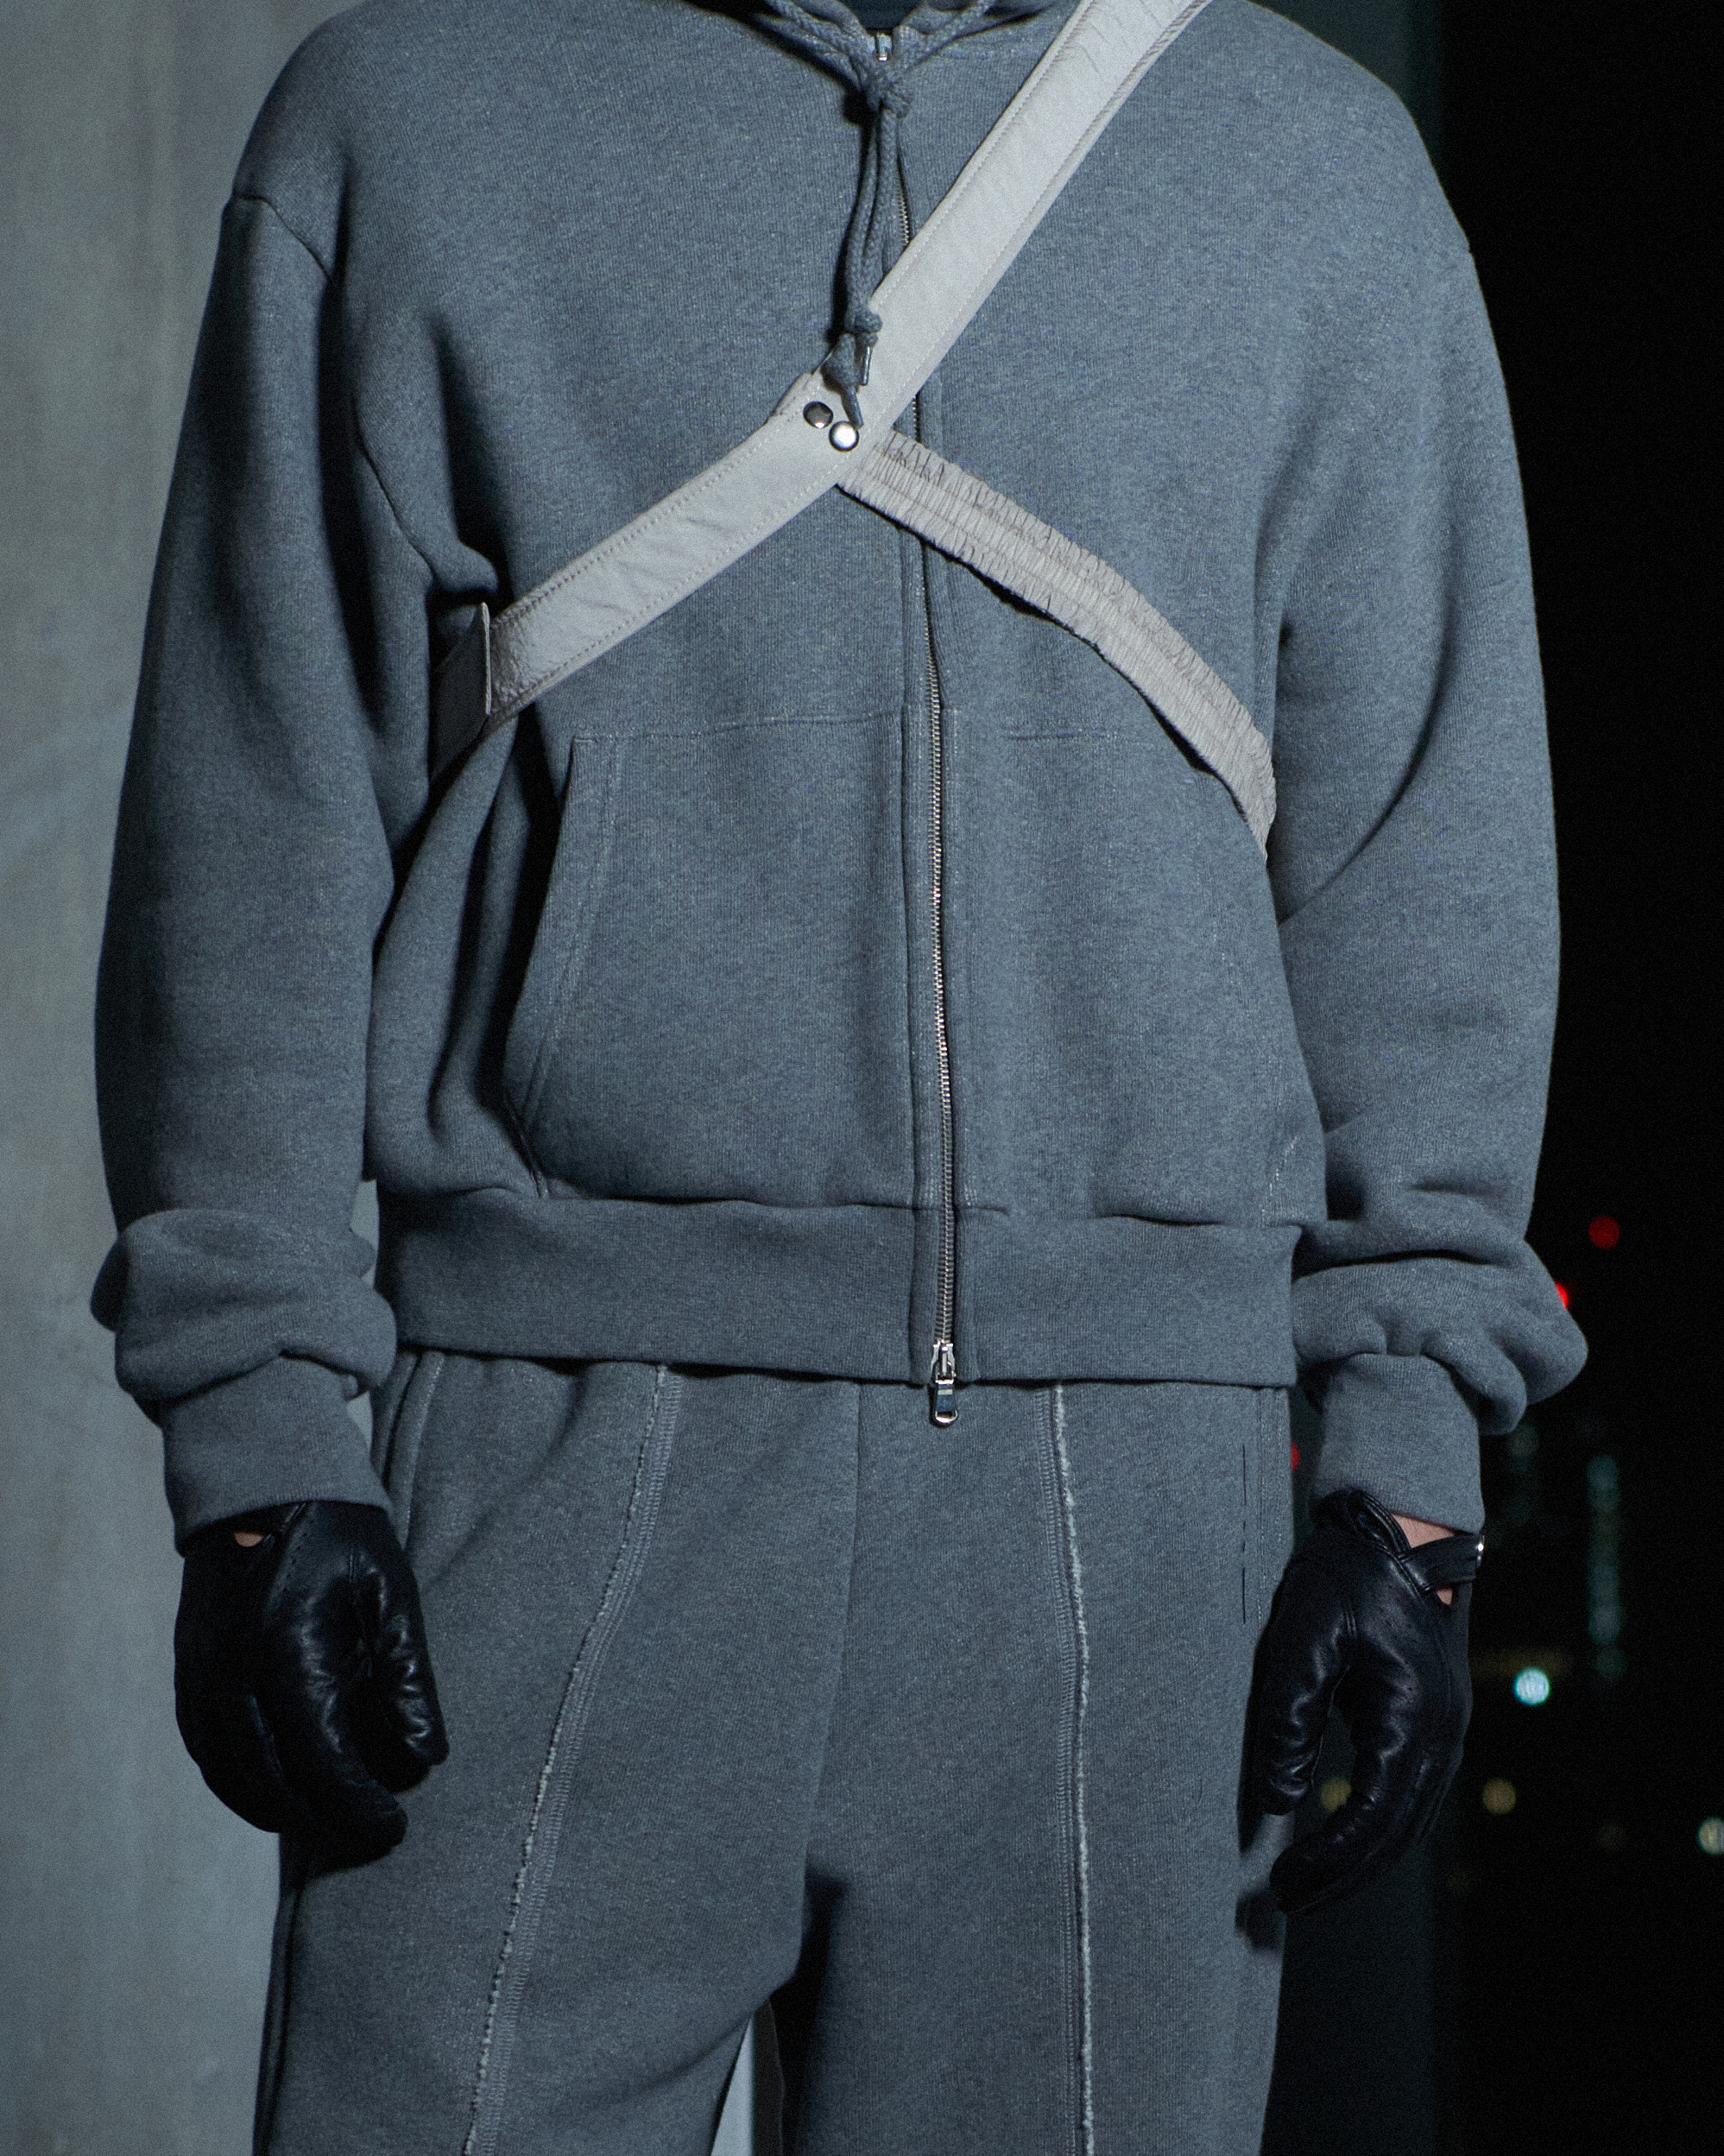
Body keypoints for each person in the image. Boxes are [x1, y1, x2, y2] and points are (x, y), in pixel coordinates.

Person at [92, 0, 1585, 2147]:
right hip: (546, 1462)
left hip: (1131, 1525)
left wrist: (1410, 1478)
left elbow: (1423, 862)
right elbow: (253, 810)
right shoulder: (414, 113)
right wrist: (256, 1443)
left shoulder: (1311, 166)